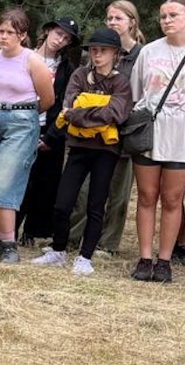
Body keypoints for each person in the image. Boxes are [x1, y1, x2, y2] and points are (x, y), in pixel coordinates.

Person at [31, 28, 133, 275]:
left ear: (115, 53)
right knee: (62, 203)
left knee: (96, 205)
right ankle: (58, 250)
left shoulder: (120, 82)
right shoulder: (80, 74)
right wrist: (93, 113)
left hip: (106, 151)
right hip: (78, 148)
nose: (97, 55)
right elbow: (68, 107)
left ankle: (85, 257)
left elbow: (116, 114)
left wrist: (80, 112)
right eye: (94, 50)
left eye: (103, 50)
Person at [0, 8, 55, 264]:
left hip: (21, 120)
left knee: (4, 181)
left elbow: (47, 99)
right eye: (1, 31)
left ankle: (9, 243)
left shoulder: (31, 61)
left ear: (22, 35)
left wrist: (25, 117)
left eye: (10, 32)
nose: (4, 37)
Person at [67, 0, 145, 255]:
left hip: (126, 130)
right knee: (84, 190)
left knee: (118, 192)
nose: (112, 22)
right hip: (91, 133)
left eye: (118, 18)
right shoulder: (95, 51)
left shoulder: (142, 55)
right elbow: (78, 97)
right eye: (109, 18)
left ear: (132, 22)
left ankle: (107, 244)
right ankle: (73, 236)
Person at [128, 0, 185, 283]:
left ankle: (164, 260)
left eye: (173, 15)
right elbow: (137, 91)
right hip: (151, 131)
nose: (166, 20)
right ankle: (144, 257)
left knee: (172, 198)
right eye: (163, 16)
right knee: (146, 196)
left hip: (183, 135)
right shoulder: (149, 52)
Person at [16, 17, 81, 245]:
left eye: (66, 38)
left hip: (51, 131)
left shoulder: (67, 68)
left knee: (45, 183)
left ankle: (34, 231)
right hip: (22, 125)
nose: (59, 40)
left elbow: (66, 104)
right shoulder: (25, 56)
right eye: (58, 34)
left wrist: (51, 136)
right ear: (48, 30)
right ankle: (9, 227)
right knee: (18, 180)